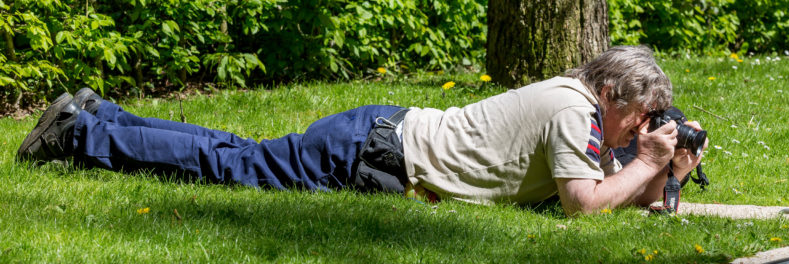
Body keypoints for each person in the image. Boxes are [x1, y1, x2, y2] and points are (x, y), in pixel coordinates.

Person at [17, 45, 707, 216]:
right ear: (613, 91)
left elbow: (623, 198)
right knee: (232, 165)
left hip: (378, 137)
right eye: (641, 115)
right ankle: (83, 134)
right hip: (373, 152)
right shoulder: (572, 112)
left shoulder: (583, 110)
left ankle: (98, 118)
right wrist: (645, 164)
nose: (642, 129)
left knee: (236, 153)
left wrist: (663, 174)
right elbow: (585, 205)